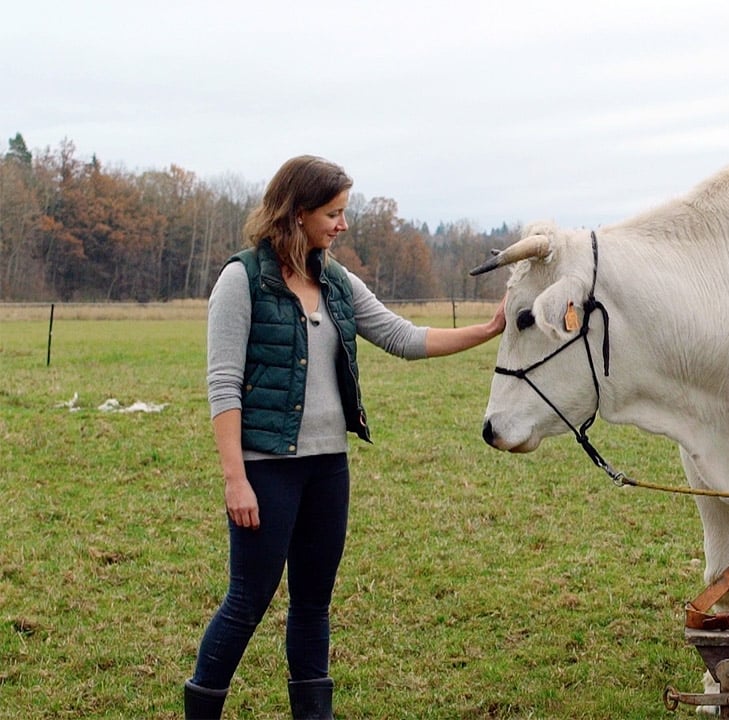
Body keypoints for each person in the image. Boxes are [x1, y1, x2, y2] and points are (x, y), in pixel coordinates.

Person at [184, 155, 505, 720]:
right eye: (333, 213)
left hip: (328, 468)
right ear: (298, 213)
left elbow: (402, 337)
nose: (343, 224)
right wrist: (236, 479)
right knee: (248, 600)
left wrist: (488, 329)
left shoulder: (335, 281)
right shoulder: (242, 280)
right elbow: (223, 386)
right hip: (266, 469)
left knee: (313, 602)